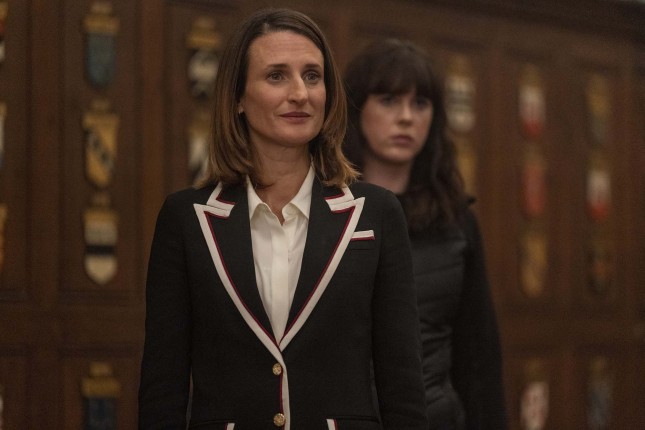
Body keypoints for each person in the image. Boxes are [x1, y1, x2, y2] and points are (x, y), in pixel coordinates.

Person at [138, 9, 428, 430]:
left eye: (312, 76)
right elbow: (162, 387)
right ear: (238, 98)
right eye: (276, 76)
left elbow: (402, 383)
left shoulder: (376, 213)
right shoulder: (186, 218)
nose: (300, 94)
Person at [344, 39, 507, 430]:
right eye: (388, 100)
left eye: (420, 103)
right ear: (357, 108)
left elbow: (478, 357)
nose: (406, 118)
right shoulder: (321, 211)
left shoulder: (456, 220)